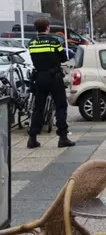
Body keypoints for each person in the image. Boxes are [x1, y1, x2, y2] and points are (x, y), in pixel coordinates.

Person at [27, 17, 76, 149]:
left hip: (39, 77)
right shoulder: (53, 41)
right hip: (54, 77)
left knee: (38, 108)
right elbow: (63, 57)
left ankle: (32, 138)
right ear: (48, 27)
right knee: (61, 106)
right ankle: (63, 137)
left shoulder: (32, 43)